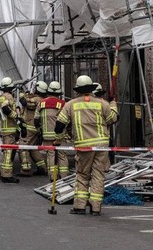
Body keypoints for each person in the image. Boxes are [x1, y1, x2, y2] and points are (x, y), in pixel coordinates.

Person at [55, 75, 118, 216]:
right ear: (91, 88)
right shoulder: (101, 103)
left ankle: (80, 206)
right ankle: (96, 208)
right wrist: (113, 105)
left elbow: (59, 125)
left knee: (83, 176)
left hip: (83, 146)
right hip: (101, 146)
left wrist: (58, 140)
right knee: (98, 175)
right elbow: (113, 119)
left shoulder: (71, 104)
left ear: (77, 89)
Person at [35, 81, 68, 181]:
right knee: (62, 155)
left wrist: (39, 130)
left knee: (51, 155)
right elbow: (67, 119)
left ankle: (52, 178)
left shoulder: (42, 103)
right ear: (58, 93)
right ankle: (64, 178)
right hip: (60, 135)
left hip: (46, 135)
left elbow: (36, 119)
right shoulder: (62, 104)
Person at [18, 81, 48, 177]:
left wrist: (22, 94)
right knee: (33, 148)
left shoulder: (37, 99)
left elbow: (25, 103)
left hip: (30, 127)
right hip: (35, 127)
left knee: (23, 146)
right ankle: (42, 167)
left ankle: (26, 169)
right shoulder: (41, 99)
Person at [0, 77, 23, 183]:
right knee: (8, 152)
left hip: (6, 128)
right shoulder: (8, 96)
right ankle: (6, 175)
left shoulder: (1, 96)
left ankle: (6, 173)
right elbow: (5, 108)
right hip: (9, 129)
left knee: (8, 151)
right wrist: (16, 116)